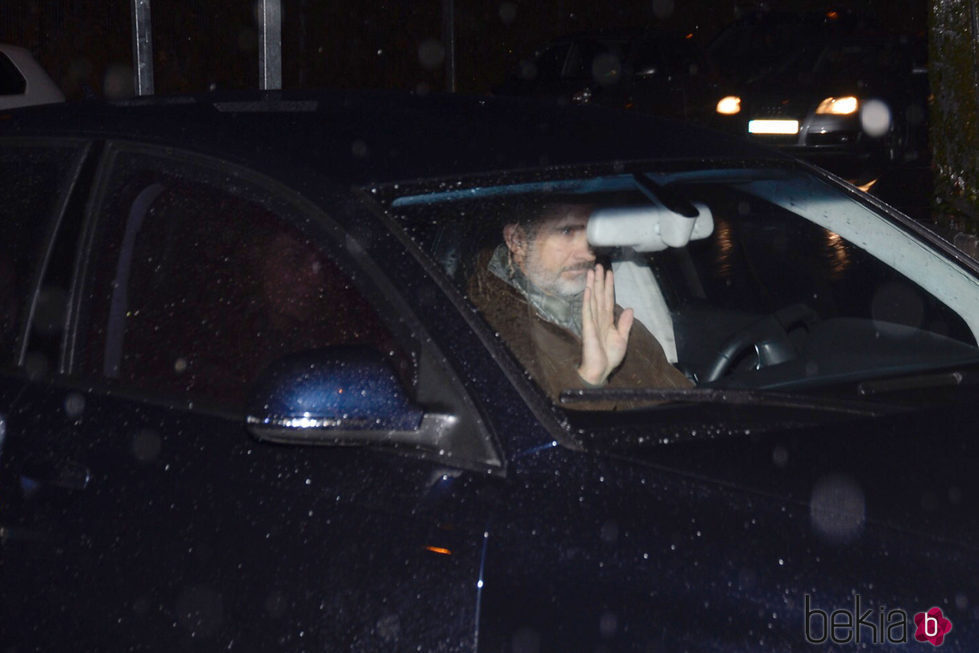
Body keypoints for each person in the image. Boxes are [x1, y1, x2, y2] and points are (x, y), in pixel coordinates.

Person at [468, 199, 692, 404]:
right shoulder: (483, 329)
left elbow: (685, 403)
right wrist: (589, 381)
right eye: (567, 231)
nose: (587, 254)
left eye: (591, 235)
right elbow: (523, 436)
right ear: (517, 240)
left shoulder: (610, 316)